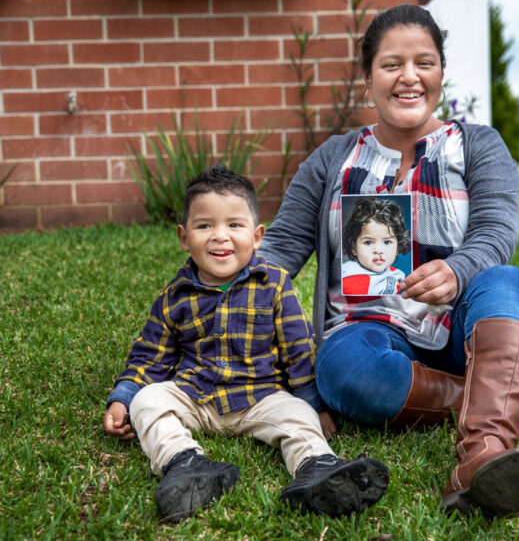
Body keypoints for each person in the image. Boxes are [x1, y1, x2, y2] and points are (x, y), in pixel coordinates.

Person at [259, 4, 519, 520]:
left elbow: (496, 232)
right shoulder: (332, 159)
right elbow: (279, 251)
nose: (409, 77)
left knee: (507, 279)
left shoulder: (479, 146)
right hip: (368, 332)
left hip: (463, 333)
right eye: (392, 64)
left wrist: (458, 271)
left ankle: (482, 456)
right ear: (367, 78)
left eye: (425, 62)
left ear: (440, 72)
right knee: (341, 371)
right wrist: (215, 291)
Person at [102, 165, 389, 523]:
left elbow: (298, 350)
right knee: (149, 401)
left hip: (261, 397)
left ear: (256, 236)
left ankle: (318, 466)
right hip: (198, 397)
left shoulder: (274, 284)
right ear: (183, 237)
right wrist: (123, 396)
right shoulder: (174, 297)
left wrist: (314, 404)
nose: (220, 237)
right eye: (205, 225)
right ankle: (184, 462)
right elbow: (150, 356)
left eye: (234, 225)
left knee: (296, 417)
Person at [341, 196, 411, 295]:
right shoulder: (346, 279)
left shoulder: (398, 276)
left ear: (398, 248)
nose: (378, 250)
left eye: (387, 242)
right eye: (368, 242)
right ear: (354, 247)